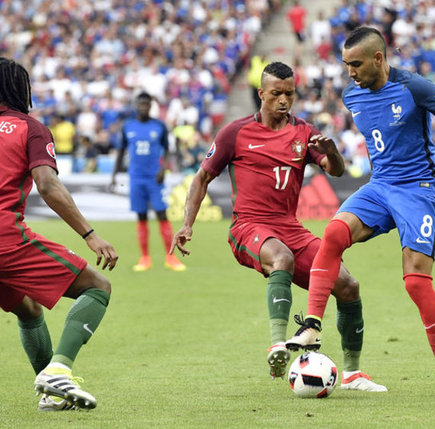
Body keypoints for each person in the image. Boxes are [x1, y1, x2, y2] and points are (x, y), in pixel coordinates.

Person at [285, 27, 435, 399]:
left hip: (417, 190)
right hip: (379, 186)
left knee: (416, 282)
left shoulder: (413, 87)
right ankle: (311, 324)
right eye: (346, 65)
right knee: (333, 233)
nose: (350, 73)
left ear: (378, 58)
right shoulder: (351, 94)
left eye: (356, 64)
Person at [170, 62, 386, 392]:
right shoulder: (235, 133)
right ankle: (277, 346)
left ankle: (353, 375)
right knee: (281, 258)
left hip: (291, 228)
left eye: (289, 94)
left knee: (348, 285)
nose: (283, 100)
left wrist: (332, 152)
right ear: (261, 94)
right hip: (248, 226)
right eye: (276, 94)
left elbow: (335, 170)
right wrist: (187, 224)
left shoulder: (304, 132)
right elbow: (202, 178)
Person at [0, 57, 118, 411]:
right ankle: (59, 369)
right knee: (97, 286)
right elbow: (48, 185)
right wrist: (90, 234)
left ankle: (52, 393)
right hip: (5, 240)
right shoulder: (29, 128)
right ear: (20, 89)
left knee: (28, 308)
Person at [110, 92, 185, 272]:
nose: (143, 107)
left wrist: (163, 169)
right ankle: (144, 258)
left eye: (147, 104)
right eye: (141, 104)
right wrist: (114, 175)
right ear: (136, 105)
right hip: (136, 178)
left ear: (151, 106)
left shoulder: (159, 126)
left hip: (155, 178)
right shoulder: (128, 126)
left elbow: (168, 150)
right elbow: (121, 152)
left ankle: (171, 257)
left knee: (162, 214)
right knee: (141, 216)